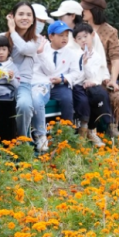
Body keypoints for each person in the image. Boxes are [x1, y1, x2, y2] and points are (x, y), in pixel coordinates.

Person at [31, 20, 84, 151]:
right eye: (61, 35)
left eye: (66, 35)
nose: (64, 38)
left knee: (67, 99)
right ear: (51, 36)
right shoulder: (42, 49)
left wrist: (63, 79)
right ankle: (38, 135)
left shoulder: (71, 53)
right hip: (43, 83)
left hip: (60, 84)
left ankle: (66, 134)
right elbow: (36, 69)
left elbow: (76, 73)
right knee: (36, 99)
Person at [80, 0, 119, 138]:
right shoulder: (81, 28)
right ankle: (88, 130)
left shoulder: (110, 31)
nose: (82, 11)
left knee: (116, 97)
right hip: (82, 74)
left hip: (104, 76)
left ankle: (113, 128)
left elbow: (115, 59)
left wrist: (113, 80)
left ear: (94, 10)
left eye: (85, 8)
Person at [6, 1, 46, 141]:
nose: (25, 17)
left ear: (33, 19)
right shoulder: (2, 37)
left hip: (23, 84)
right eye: (21, 14)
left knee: (24, 105)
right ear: (13, 17)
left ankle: (23, 139)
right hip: (3, 83)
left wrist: (12, 31)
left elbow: (24, 49)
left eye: (29, 15)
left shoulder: (36, 39)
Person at [73, 22, 113, 146]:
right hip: (77, 85)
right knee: (84, 101)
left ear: (92, 35)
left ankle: (92, 129)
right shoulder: (74, 54)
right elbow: (75, 76)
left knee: (99, 96)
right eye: (79, 38)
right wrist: (83, 66)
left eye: (85, 36)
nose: (83, 40)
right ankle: (83, 132)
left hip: (90, 86)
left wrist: (85, 65)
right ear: (75, 41)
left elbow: (92, 76)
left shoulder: (96, 56)